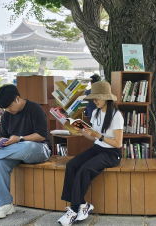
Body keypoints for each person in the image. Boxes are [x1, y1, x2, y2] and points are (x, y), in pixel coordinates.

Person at [0, 84, 52, 219]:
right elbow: (4, 135)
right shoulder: (6, 114)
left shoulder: (35, 109)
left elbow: (41, 136)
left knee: (27, 146)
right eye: (5, 108)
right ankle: (4, 205)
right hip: (13, 151)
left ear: (17, 99)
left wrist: (19, 139)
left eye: (9, 106)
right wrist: (1, 143)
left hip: (39, 149)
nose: (8, 110)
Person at [58, 81, 123, 226]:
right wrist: (81, 130)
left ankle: (74, 210)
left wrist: (98, 135)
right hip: (98, 148)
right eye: (93, 98)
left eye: (97, 98)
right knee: (72, 165)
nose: (95, 101)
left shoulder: (116, 115)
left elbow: (118, 143)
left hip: (112, 153)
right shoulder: (95, 112)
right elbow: (92, 137)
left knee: (85, 169)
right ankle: (82, 204)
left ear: (106, 98)